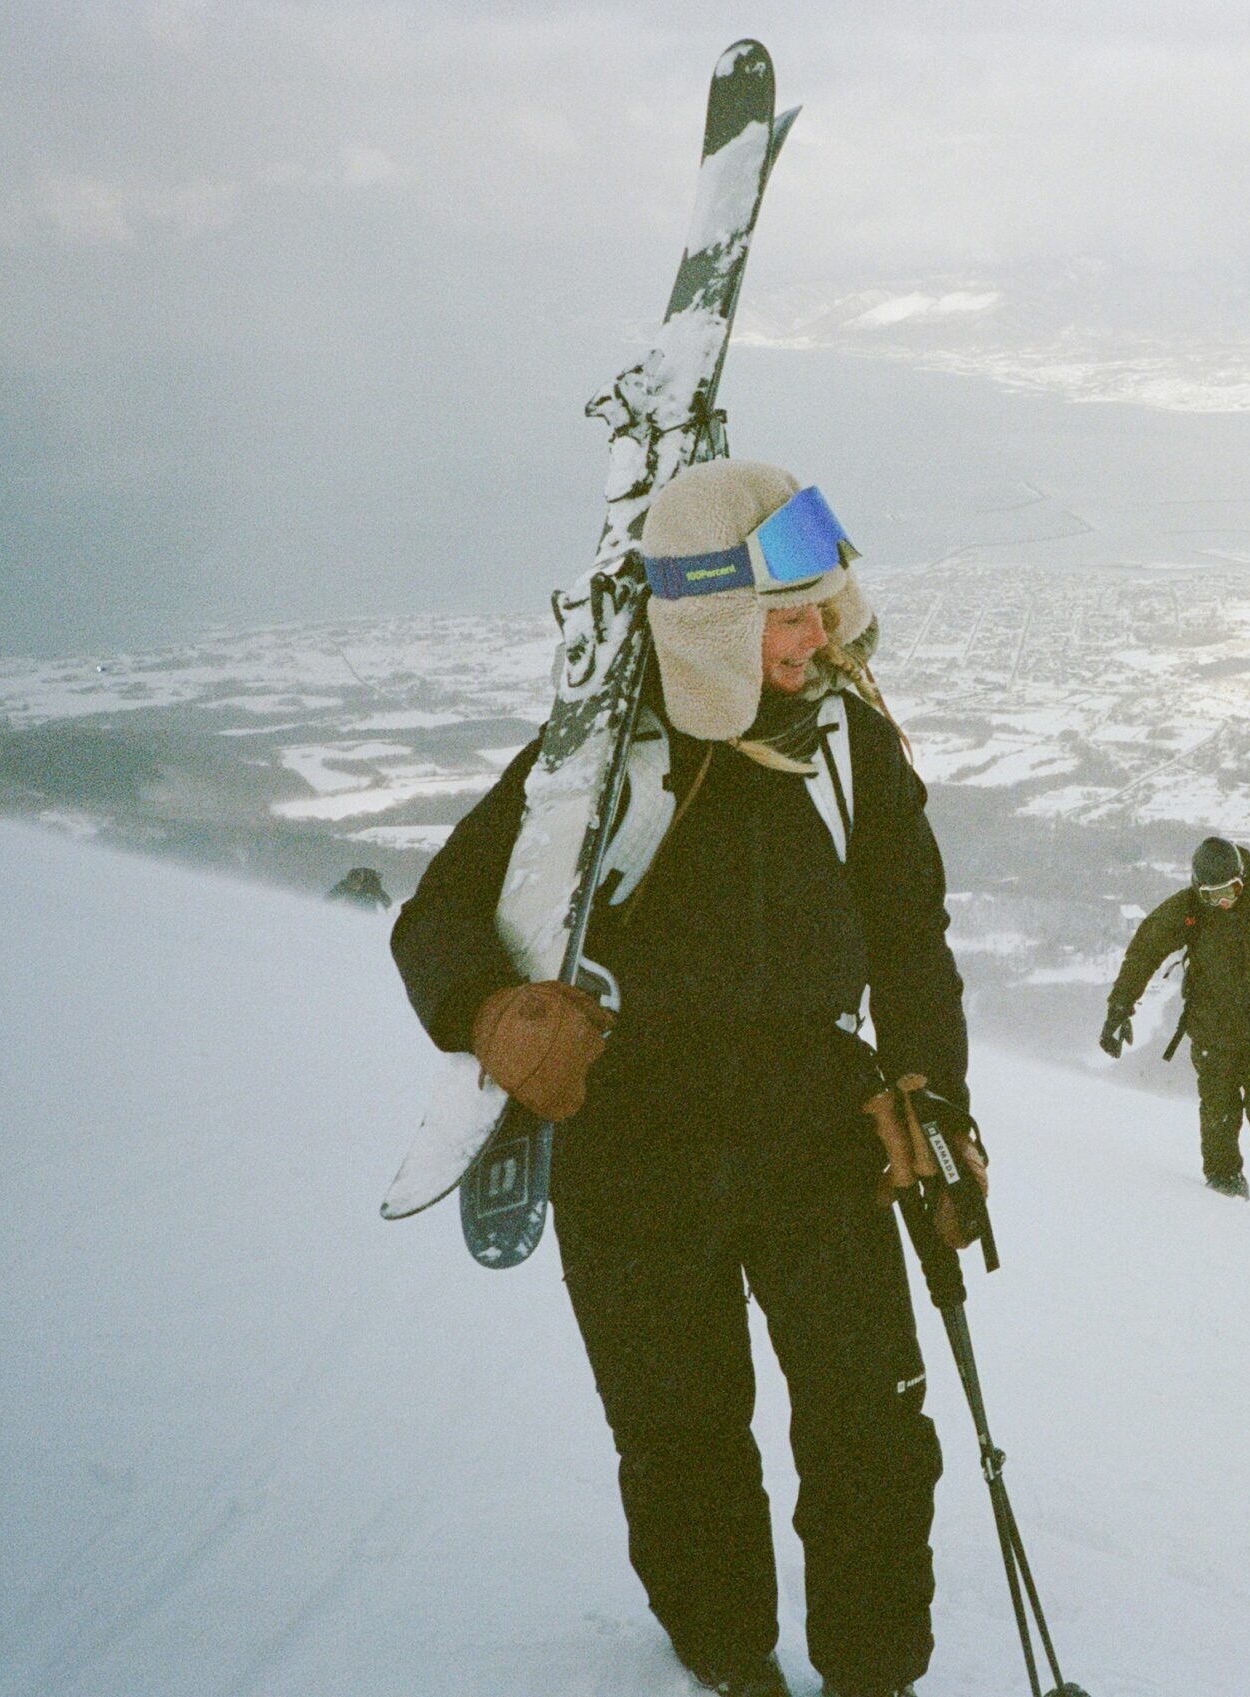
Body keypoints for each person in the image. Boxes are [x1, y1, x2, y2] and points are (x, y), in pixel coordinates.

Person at [391, 459, 980, 1697]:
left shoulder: (848, 745)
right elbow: (438, 916)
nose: (815, 635)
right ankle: (725, 1655)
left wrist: (938, 1101)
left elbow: (910, 940)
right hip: (635, 1137)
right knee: (681, 1429)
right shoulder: (598, 761)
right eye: (785, 613)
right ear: (708, 618)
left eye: (823, 606)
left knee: (870, 1420)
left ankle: (873, 1670)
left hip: (821, 1122)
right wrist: (493, 1012)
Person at [1100, 836, 1250, 1197]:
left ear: (1243, 877)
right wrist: (1119, 1009)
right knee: (1218, 1107)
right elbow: (1145, 950)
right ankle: (1224, 1178)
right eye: (1214, 895)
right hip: (1213, 1030)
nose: (1225, 902)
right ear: (1199, 889)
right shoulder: (1189, 909)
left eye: (1232, 890)